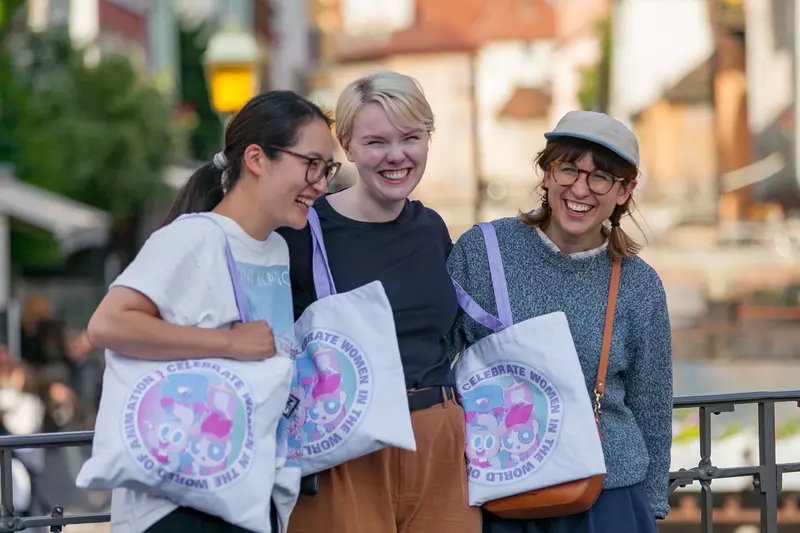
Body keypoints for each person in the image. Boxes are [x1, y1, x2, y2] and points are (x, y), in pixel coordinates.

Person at [85, 91, 337, 533]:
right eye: (310, 164)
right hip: (176, 504)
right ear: (257, 159)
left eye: (326, 168)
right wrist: (229, 342)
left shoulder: (275, 248)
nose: (320, 183)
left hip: (242, 494)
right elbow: (107, 323)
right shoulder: (193, 238)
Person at [448, 110, 672, 533]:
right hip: (501, 491)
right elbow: (438, 360)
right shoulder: (482, 251)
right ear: (547, 173)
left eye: (601, 177)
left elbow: (652, 404)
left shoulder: (639, 285)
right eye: (569, 168)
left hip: (607, 498)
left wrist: (653, 503)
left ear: (625, 190)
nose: (580, 189)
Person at [278, 71, 481, 533]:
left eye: (411, 137)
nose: (396, 156)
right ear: (346, 145)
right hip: (344, 445)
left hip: (438, 440)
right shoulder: (303, 230)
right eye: (376, 142)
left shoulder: (431, 227)